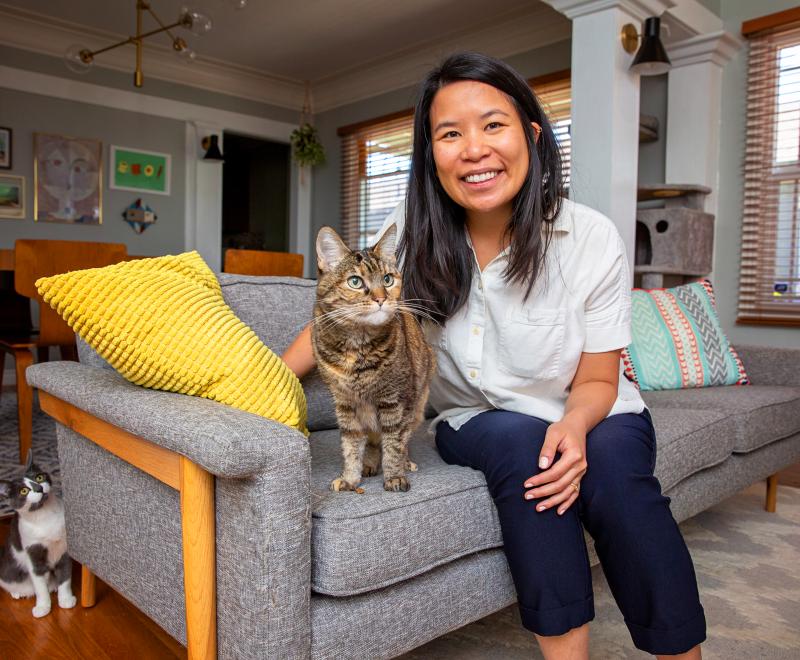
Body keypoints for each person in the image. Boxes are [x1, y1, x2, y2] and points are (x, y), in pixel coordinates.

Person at [283, 52, 706, 659]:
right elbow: (337, 316)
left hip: (592, 410)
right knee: (523, 449)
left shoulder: (588, 238)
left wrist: (575, 426)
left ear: (531, 135)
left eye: (493, 125)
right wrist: (263, 382)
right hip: (479, 419)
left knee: (617, 476)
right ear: (431, 154)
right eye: (450, 134)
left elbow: (597, 378)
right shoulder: (412, 232)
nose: (474, 149)